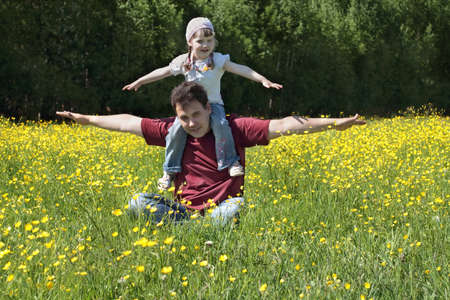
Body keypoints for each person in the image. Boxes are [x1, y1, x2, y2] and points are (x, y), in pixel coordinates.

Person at [57, 81, 366, 225]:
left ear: (208, 108)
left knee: (234, 209)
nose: (190, 123)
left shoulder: (235, 129)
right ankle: (192, 229)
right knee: (137, 203)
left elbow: (285, 124)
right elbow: (127, 122)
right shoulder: (172, 131)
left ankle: (201, 230)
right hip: (183, 210)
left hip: (221, 208)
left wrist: (334, 123)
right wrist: (87, 120)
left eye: (195, 115)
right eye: (183, 117)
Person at [122, 17, 282, 191]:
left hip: (213, 105)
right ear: (190, 42)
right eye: (200, 41)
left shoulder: (218, 60)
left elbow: (241, 68)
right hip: (190, 108)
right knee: (175, 130)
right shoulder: (184, 61)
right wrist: (140, 81)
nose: (205, 45)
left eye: (209, 40)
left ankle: (230, 162)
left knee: (221, 124)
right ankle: (169, 171)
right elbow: (163, 71)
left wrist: (262, 79)